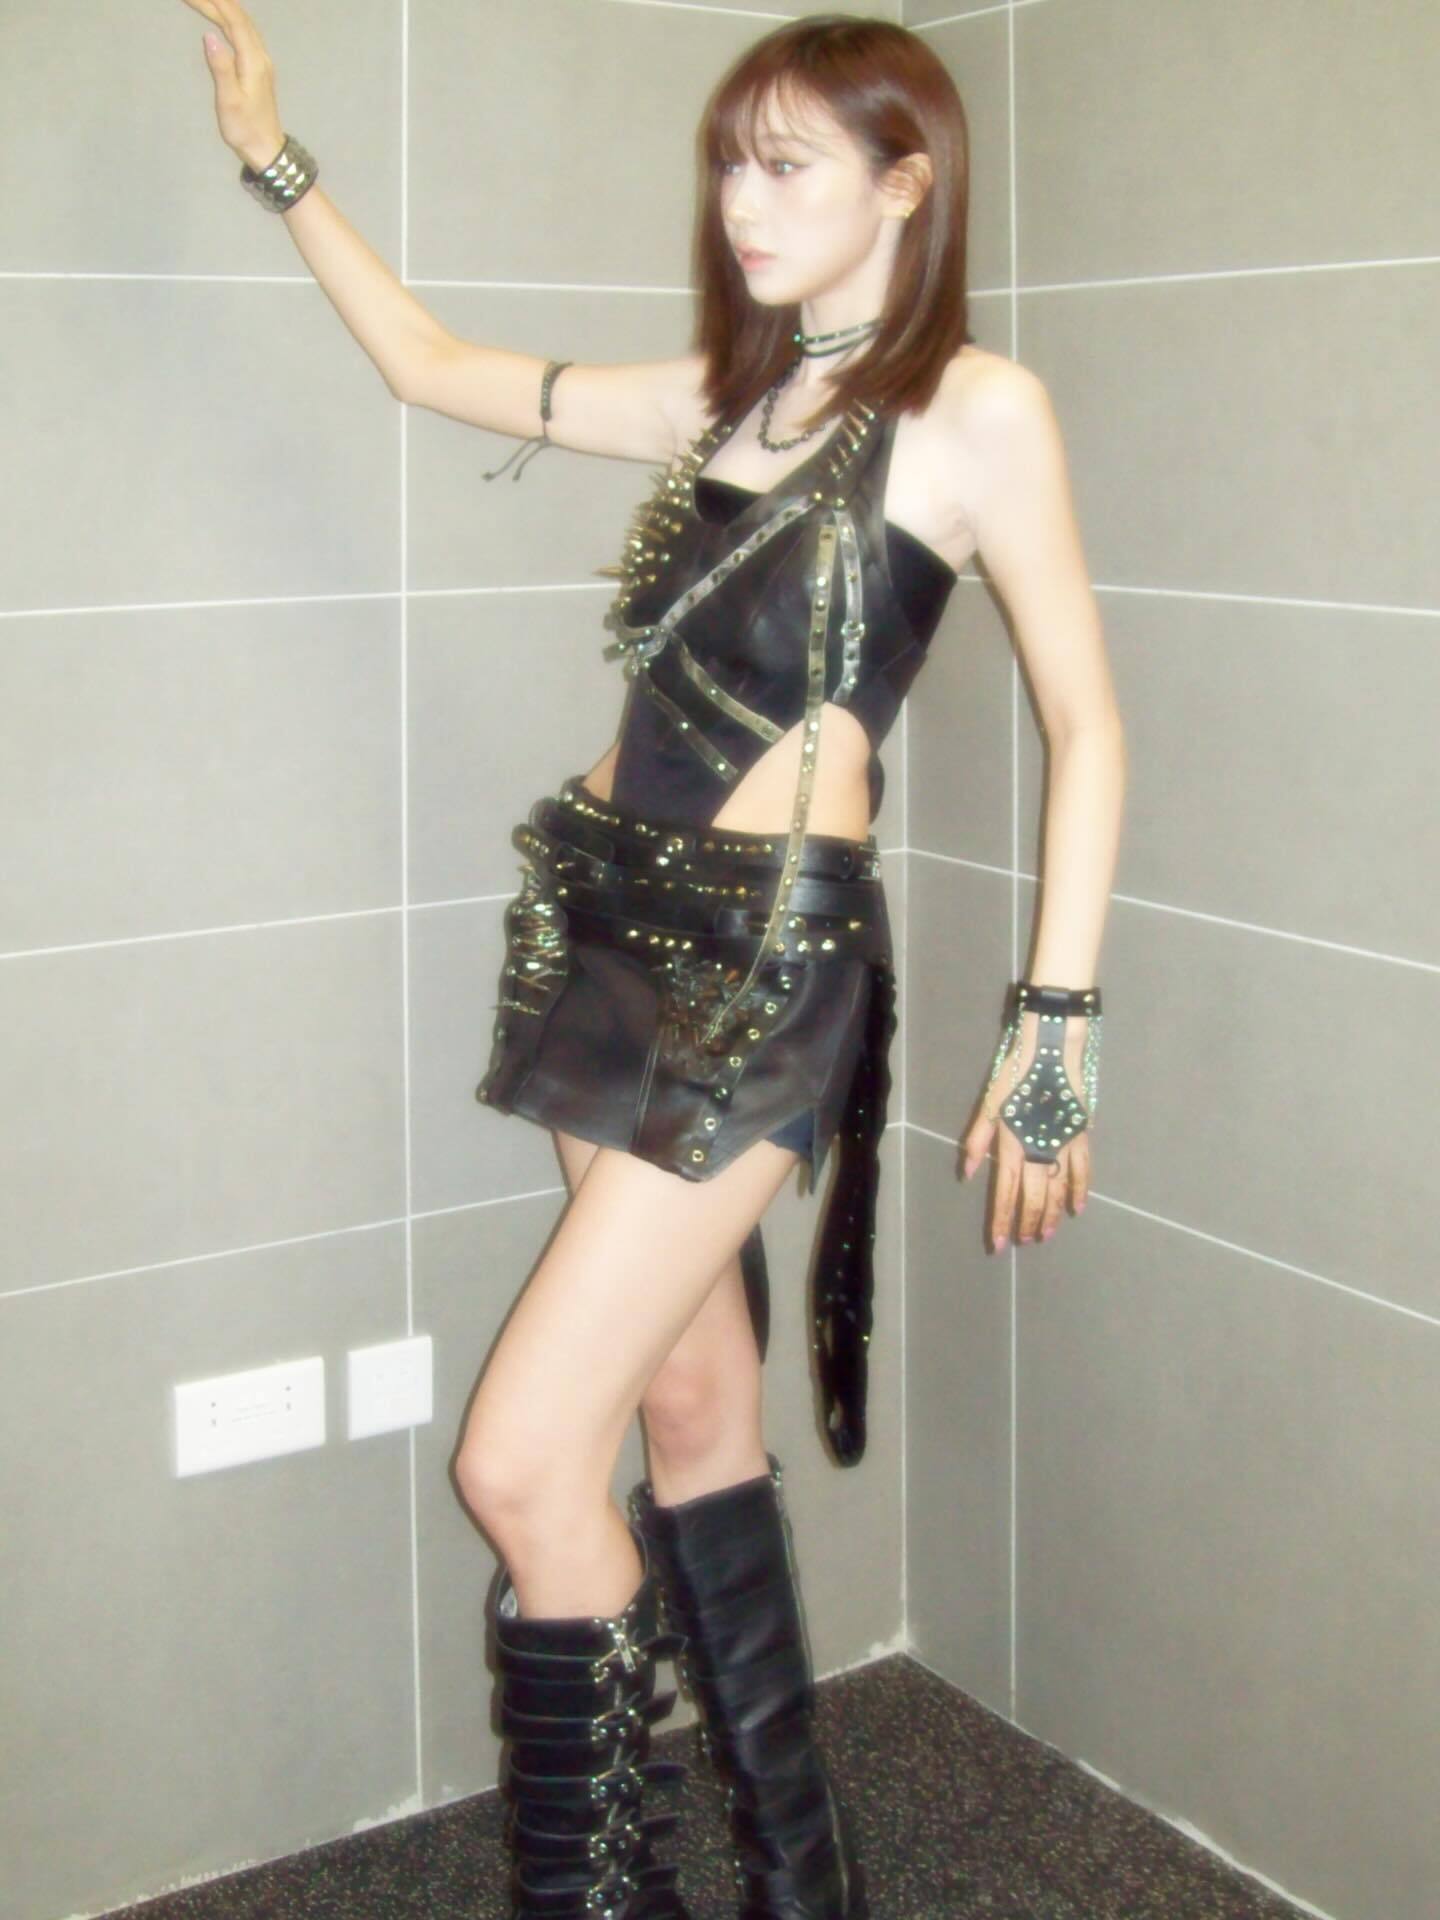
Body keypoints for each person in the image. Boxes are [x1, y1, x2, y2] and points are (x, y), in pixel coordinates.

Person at [186, 5, 1125, 1915]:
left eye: (787, 164)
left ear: (907, 182)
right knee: (690, 1413)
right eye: (729, 163)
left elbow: (1088, 722)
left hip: (764, 971)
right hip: (602, 927)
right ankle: (803, 1881)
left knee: (523, 1468)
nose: (740, 200)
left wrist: (1054, 1030)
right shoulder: (725, 392)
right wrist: (278, 163)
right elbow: (432, 367)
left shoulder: (977, 413)